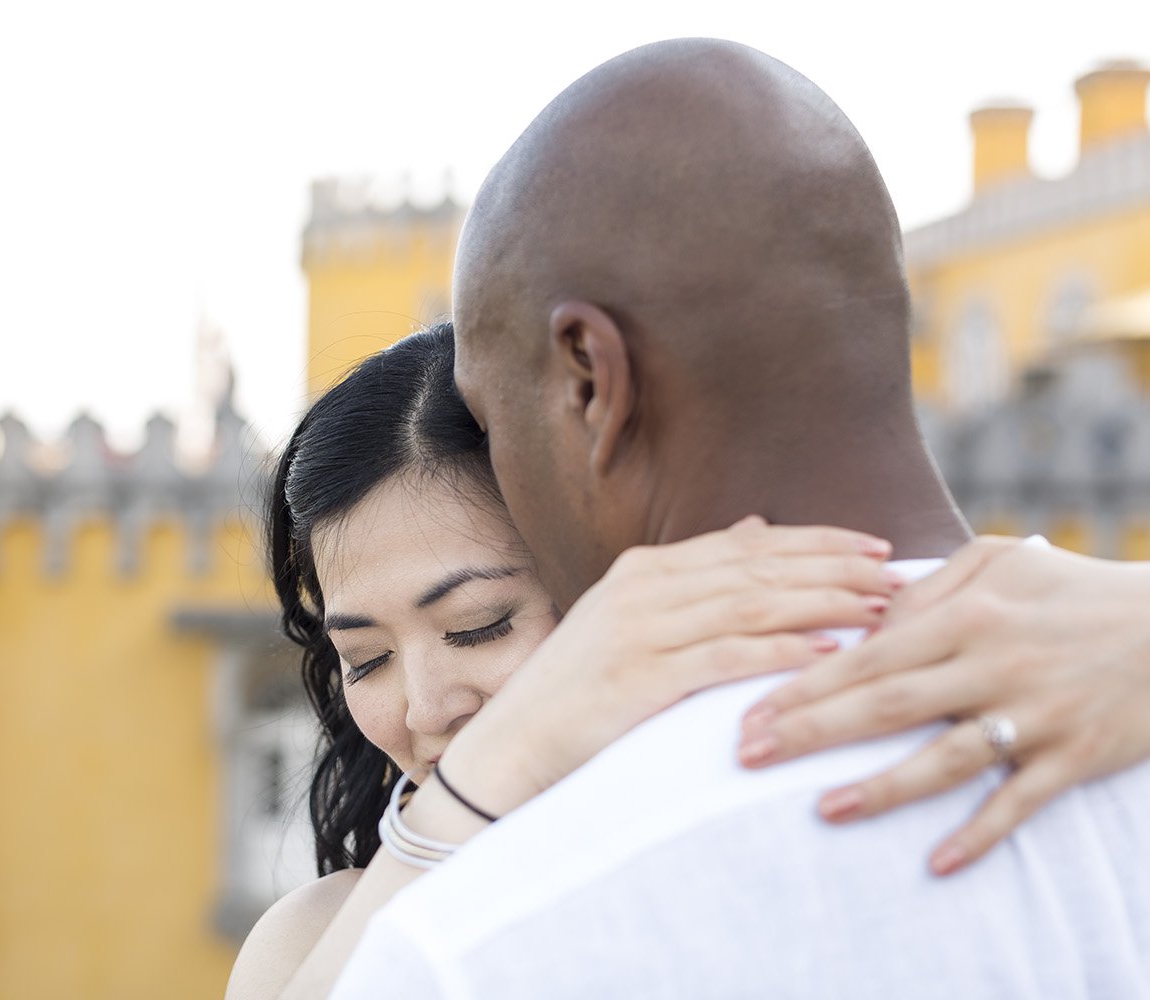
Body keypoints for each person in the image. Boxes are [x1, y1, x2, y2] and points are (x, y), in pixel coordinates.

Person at [328, 39, 1150, 998]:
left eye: (493, 412)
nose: (427, 707)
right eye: (365, 656)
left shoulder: (487, 941)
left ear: (592, 379)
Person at [228, 326, 1150, 998]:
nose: (423, 707)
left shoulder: (752, 837)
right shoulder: (315, 942)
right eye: (365, 658)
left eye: (479, 627)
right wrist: (495, 768)